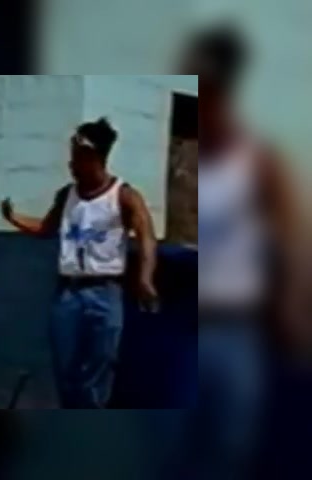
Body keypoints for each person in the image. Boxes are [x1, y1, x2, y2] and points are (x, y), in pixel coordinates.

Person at [179, 24, 305, 480]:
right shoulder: (177, 164)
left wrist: (290, 316)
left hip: (237, 332)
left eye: (211, 91)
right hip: (181, 327)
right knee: (173, 454)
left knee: (231, 451)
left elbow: (288, 242)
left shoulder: (258, 162)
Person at [1, 117, 158, 409]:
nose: (70, 164)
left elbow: (146, 235)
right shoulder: (67, 195)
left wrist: (145, 278)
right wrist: (14, 217)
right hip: (68, 294)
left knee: (99, 366)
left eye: (76, 157)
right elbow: (46, 228)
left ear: (93, 158)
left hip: (105, 292)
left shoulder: (124, 196)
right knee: (66, 370)